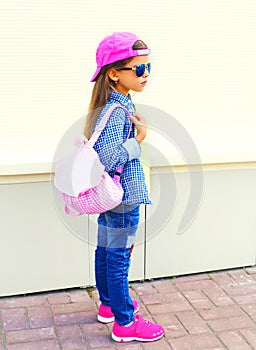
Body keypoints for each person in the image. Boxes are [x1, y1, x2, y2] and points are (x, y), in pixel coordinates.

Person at [84, 32, 164, 343]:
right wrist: (138, 140)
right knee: (118, 257)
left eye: (149, 68)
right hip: (123, 197)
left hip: (113, 197)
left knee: (106, 251)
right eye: (139, 69)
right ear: (115, 74)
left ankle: (108, 306)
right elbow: (109, 157)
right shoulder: (116, 111)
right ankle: (125, 323)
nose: (147, 75)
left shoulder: (116, 105)